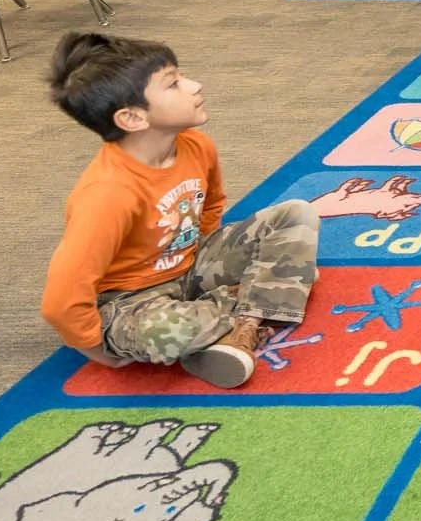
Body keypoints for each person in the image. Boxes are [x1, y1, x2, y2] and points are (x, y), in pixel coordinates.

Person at [39, 32, 319, 390]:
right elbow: (60, 300)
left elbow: (212, 205)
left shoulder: (196, 145)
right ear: (133, 118)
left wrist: (204, 255)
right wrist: (99, 352)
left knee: (297, 215)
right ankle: (265, 299)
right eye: (173, 84)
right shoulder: (108, 193)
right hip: (128, 300)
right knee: (170, 330)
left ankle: (239, 324)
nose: (194, 85)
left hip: (189, 268)